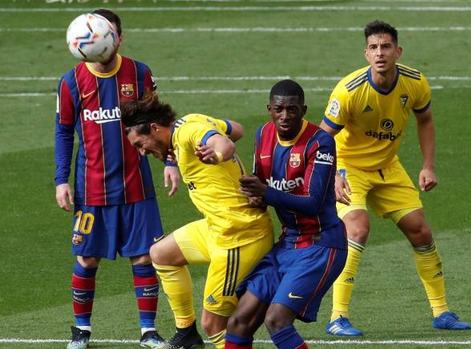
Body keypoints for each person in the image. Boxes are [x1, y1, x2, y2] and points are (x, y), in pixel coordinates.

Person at [319, 20, 471, 336]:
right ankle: (337, 317)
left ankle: (441, 312)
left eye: (386, 46)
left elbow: (425, 120)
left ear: (398, 51)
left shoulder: (415, 83)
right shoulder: (348, 91)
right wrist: (333, 175)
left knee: (421, 232)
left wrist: (428, 165)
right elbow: (322, 138)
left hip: (388, 167)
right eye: (373, 47)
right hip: (350, 169)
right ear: (365, 53)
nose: (380, 53)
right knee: (358, 229)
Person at [54, 9, 180, 349]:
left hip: (136, 184)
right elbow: (64, 131)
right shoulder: (71, 82)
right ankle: (81, 331)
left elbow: (160, 120)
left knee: (144, 256)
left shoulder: (139, 73)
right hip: (90, 187)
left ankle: (148, 332)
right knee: (87, 258)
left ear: (116, 38)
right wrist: (60, 180)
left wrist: (170, 159)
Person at [120, 95, 274, 349]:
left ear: (155, 128)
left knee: (213, 324)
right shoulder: (190, 123)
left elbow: (226, 143)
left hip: (239, 235)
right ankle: (186, 333)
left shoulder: (188, 131)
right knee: (161, 253)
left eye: (140, 143)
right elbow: (236, 129)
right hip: (217, 227)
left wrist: (218, 154)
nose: (142, 152)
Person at [223, 79, 347, 349]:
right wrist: (253, 194)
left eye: (292, 110)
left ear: (303, 110)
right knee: (238, 322)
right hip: (287, 244)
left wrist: (265, 192)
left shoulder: (320, 142)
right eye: (279, 109)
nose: (285, 116)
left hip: (321, 245)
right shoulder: (263, 134)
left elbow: (313, 202)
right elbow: (261, 183)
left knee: (276, 320)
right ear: (269, 109)